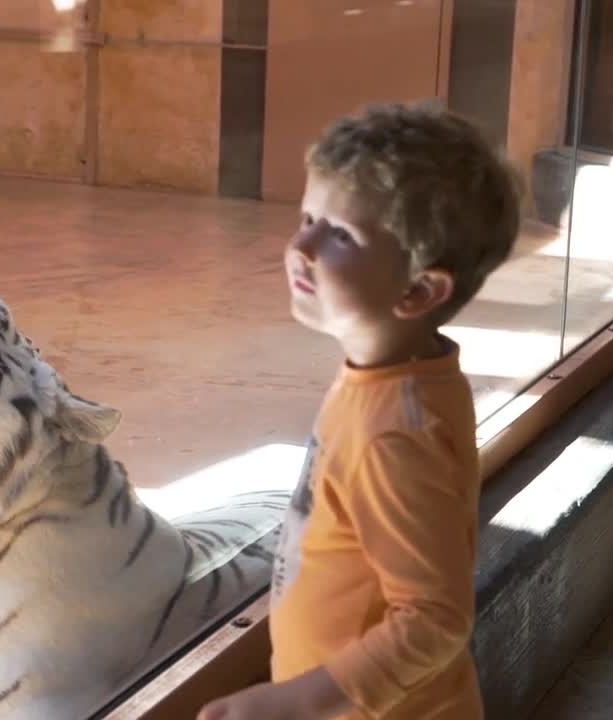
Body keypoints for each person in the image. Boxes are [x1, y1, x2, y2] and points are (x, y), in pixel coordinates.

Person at [199, 102, 522, 720]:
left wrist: (298, 701)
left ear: (418, 290)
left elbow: (433, 620)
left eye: (339, 235)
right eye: (308, 217)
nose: (301, 244)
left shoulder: (393, 431)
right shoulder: (404, 373)